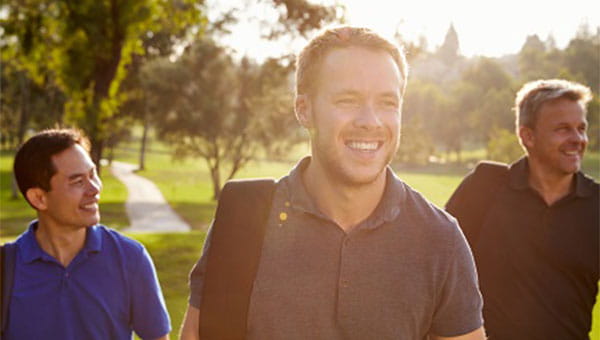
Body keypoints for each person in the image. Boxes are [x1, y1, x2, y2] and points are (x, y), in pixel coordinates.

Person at [179, 26, 485, 340]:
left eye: (387, 103)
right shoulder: (243, 219)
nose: (370, 121)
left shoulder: (440, 239)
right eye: (348, 100)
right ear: (304, 109)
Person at [446, 79, 598, 340]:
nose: (578, 139)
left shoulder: (597, 205)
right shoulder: (485, 187)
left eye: (581, 128)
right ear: (527, 136)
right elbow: (434, 266)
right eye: (563, 129)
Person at [1, 128, 171, 340]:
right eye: (78, 181)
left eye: (93, 175)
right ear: (39, 198)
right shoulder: (5, 269)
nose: (95, 189)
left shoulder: (130, 259)